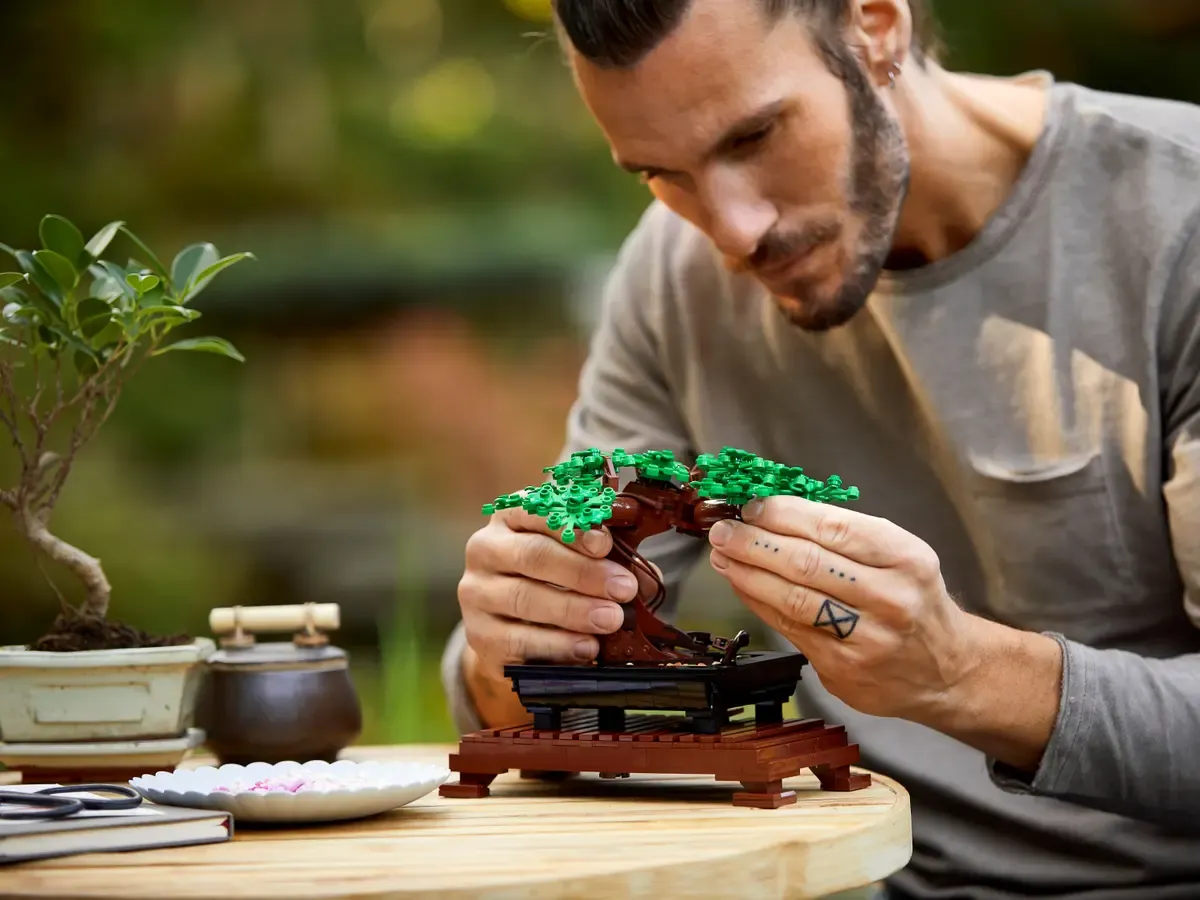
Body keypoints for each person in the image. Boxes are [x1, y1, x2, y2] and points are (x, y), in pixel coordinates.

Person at [439, 0, 1200, 896]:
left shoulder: (1173, 219)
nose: (730, 232)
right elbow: (506, 715)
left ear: (877, 26)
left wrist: (963, 674)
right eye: (660, 173)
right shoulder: (670, 278)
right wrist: (512, 644)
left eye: (755, 137)